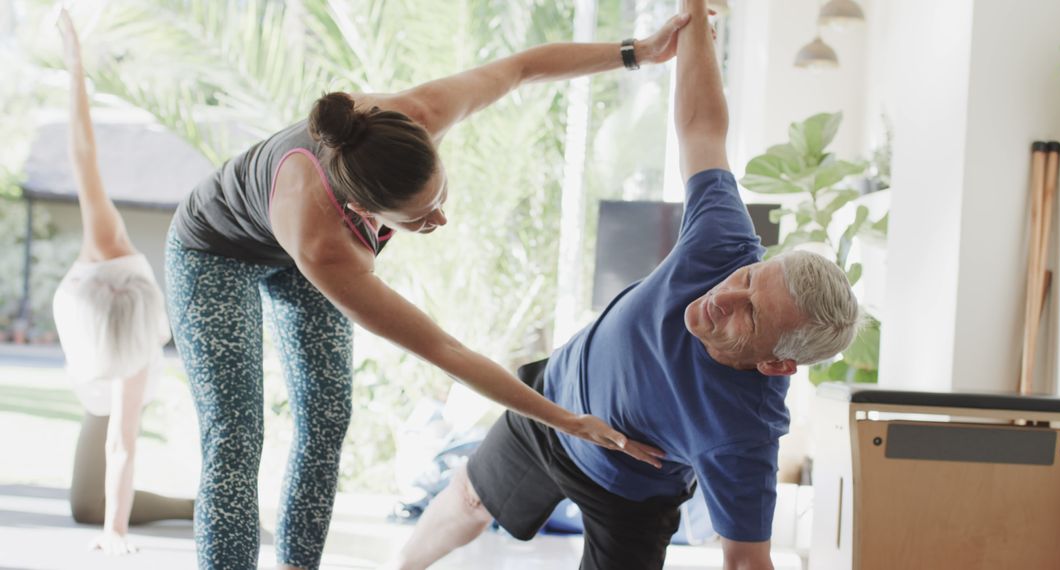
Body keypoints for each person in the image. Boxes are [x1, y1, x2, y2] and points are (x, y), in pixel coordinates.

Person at [163, 12, 695, 570]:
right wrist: (568, 420)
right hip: (213, 253)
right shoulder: (325, 244)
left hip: (292, 241)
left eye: (438, 195)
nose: (439, 219)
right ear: (363, 210)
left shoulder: (416, 115)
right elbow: (448, 352)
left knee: (326, 418)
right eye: (418, 218)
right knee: (235, 435)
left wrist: (639, 51)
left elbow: (523, 66)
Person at [388, 1, 863, 569]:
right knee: (466, 498)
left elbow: (745, 561)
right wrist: (692, 19)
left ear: (776, 366)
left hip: (631, 495)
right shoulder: (724, 245)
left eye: (751, 316)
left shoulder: (745, 434)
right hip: (553, 404)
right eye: (750, 278)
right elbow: (702, 127)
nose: (722, 297)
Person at [52, 9, 195, 557]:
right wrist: (75, 67)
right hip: (93, 373)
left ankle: (195, 506)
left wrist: (115, 532)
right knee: (84, 504)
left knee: (92, 510)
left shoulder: (135, 361)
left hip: (111, 377)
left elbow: (122, 443)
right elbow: (82, 152)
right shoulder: (104, 243)